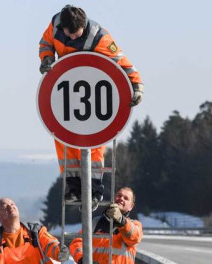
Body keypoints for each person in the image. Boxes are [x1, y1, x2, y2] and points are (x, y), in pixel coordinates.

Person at [39, 5, 144, 206]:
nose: (71, 39)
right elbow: (45, 43)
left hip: (94, 97)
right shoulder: (55, 24)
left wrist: (137, 86)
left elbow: (122, 62)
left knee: (94, 146)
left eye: (76, 36)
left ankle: (94, 190)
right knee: (63, 140)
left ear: (83, 26)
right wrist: (47, 59)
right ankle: (73, 187)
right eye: (68, 35)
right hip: (66, 92)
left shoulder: (100, 37)